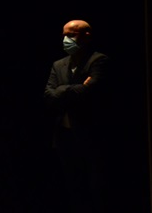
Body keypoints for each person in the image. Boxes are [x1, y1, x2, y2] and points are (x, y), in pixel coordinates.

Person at [44, 19, 109, 213]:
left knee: (97, 187)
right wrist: (79, 87)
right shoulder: (59, 64)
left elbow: (93, 92)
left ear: (86, 36)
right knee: (73, 187)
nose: (66, 39)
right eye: (64, 35)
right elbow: (48, 95)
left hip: (91, 134)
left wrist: (62, 91)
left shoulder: (99, 60)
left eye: (71, 35)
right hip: (65, 135)